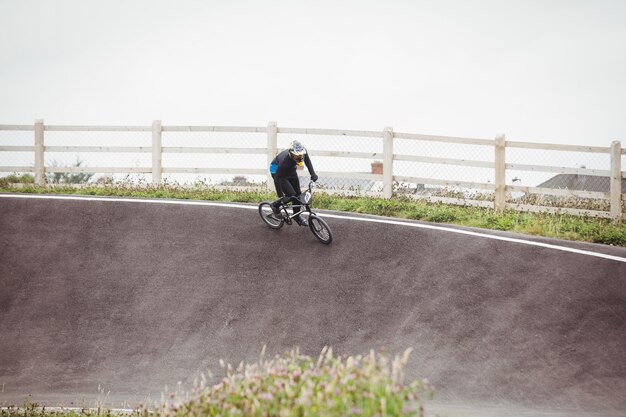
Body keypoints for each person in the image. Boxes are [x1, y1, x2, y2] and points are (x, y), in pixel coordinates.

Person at [269, 140, 318, 226]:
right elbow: (277, 180)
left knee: (298, 194)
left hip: (291, 170)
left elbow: (308, 162)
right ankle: (275, 206)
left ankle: (296, 216)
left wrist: (313, 174)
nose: (300, 158)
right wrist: (280, 196)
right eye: (297, 156)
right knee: (291, 195)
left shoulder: (302, 151)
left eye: (301, 156)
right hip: (278, 171)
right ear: (291, 154)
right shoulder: (285, 162)